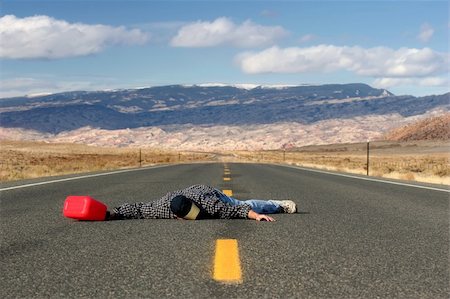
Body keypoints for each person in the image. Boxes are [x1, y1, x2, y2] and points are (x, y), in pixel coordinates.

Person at [107, 184, 296, 222]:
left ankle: (277, 204)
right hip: (186, 194)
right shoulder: (162, 208)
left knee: (245, 203)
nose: (194, 219)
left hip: (209, 192)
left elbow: (237, 210)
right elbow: (138, 209)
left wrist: (257, 216)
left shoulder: (211, 204)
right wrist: (113, 213)